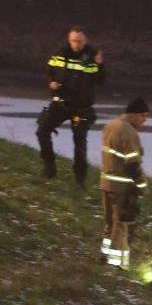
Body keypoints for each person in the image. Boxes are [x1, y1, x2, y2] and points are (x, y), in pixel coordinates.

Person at [37, 26, 105, 186]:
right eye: (74, 40)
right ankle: (49, 169)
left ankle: (79, 181)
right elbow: (49, 70)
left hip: (82, 107)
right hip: (61, 103)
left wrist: (100, 65)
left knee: (79, 143)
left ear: (85, 40)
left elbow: (101, 80)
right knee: (42, 131)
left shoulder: (93, 56)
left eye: (80, 41)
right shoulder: (59, 54)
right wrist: (51, 83)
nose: (77, 44)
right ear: (69, 39)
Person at [99, 98, 149, 269]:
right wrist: (141, 185)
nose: (145, 120)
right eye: (143, 116)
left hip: (106, 183)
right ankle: (116, 266)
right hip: (122, 187)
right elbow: (133, 164)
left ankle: (103, 256)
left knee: (109, 224)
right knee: (120, 226)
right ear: (134, 114)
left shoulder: (110, 126)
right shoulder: (129, 132)